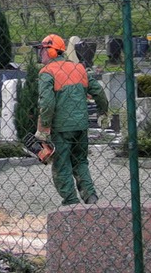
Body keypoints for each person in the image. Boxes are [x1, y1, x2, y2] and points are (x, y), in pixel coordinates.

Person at [35, 33, 109, 205]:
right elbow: (99, 93)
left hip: (61, 128)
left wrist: (43, 129)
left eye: (43, 50)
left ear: (52, 52)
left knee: (61, 165)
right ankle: (90, 196)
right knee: (80, 161)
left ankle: (71, 202)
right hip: (81, 125)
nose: (41, 54)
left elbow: (46, 103)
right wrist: (103, 112)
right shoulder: (79, 68)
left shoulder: (47, 72)